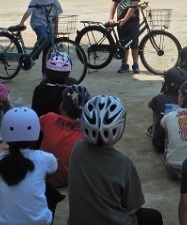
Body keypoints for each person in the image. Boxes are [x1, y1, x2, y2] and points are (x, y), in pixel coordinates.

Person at [68, 95, 163, 225]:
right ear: (120, 127)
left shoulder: (77, 148)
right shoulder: (124, 164)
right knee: (153, 217)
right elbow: (132, 209)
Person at [0, 107, 65, 225]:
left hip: (2, 223)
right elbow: (53, 168)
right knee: (47, 188)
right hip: (39, 222)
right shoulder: (44, 158)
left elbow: (16, 158)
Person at [38, 84, 90, 188]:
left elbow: (30, 128)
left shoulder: (49, 118)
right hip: (65, 180)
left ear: (62, 105)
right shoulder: (86, 132)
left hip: (41, 177)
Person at [18, 0, 63, 73]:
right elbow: (28, 12)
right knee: (44, 37)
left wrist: (56, 28)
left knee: (48, 49)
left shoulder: (54, 0)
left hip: (50, 26)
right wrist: (22, 22)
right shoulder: (35, 0)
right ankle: (33, 55)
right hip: (38, 23)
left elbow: (56, 15)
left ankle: (45, 72)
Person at [147, 67, 187, 153]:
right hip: (185, 141)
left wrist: (162, 95)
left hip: (161, 144)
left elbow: (149, 104)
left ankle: (154, 129)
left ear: (168, 86)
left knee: (157, 109)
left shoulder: (159, 99)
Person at [108, 0, 141, 73]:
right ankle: (124, 63)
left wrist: (125, 19)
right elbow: (113, 5)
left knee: (134, 44)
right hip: (121, 23)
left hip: (133, 22)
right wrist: (111, 18)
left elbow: (133, 7)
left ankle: (135, 64)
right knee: (124, 45)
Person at [32, 51, 78, 118]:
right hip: (65, 124)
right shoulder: (72, 88)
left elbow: (35, 113)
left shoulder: (39, 89)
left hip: (43, 123)